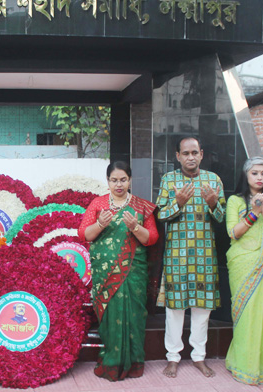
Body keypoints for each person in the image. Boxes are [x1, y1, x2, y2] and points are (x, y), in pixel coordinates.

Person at [78, 161, 158, 381]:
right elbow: (84, 234)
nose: (119, 184)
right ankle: (112, 361)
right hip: (106, 275)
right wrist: (100, 224)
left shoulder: (142, 206)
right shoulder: (98, 204)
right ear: (108, 181)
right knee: (111, 317)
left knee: (133, 316)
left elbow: (151, 238)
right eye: (114, 180)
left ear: (130, 180)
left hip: (134, 272)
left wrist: (134, 227)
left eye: (123, 179)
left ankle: (134, 363)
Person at [155, 136, 225, 378]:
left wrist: (214, 204)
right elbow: (160, 216)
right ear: (178, 156)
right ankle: (173, 357)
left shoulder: (213, 180)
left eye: (195, 152)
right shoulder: (168, 180)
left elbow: (222, 218)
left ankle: (198, 357)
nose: (191, 157)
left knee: (202, 308)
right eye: (186, 153)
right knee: (174, 309)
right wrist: (177, 203)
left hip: (205, 255)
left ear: (202, 154)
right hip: (177, 256)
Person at [225, 157, 263, 385]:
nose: (259, 177)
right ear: (246, 176)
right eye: (255, 173)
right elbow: (234, 233)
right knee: (247, 315)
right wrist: (254, 212)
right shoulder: (235, 200)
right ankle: (244, 366)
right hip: (244, 264)